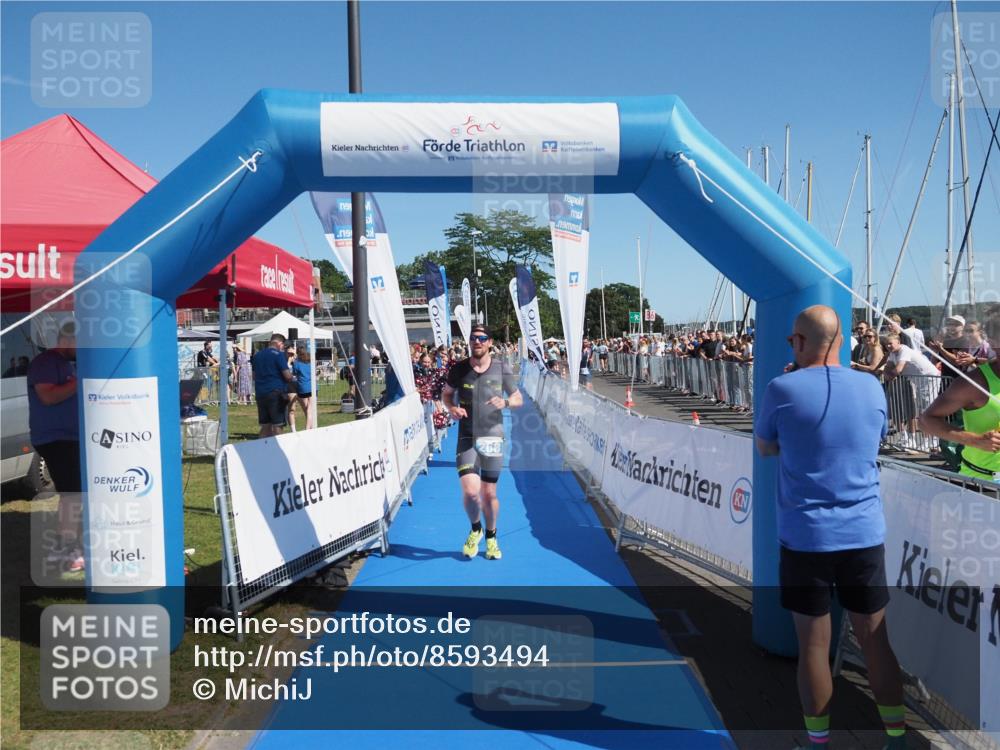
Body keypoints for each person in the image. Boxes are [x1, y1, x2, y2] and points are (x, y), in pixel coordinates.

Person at [755, 305, 906, 750]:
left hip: (807, 537)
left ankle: (819, 743)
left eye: (792, 340)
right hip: (863, 533)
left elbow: (765, 447)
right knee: (875, 639)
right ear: (841, 342)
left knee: (814, 646)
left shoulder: (781, 388)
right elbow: (873, 439)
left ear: (801, 341)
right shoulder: (871, 386)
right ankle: (896, 738)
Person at [442, 324, 523, 561]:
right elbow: (446, 394)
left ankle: (491, 536)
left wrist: (505, 403)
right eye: (473, 338)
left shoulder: (501, 368)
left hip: (492, 437)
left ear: (489, 342)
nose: (477, 341)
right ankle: (476, 528)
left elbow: (517, 397)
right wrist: (452, 408)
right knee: (470, 493)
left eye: (482, 338)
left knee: (488, 494)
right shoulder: (458, 369)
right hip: (466, 436)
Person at [919, 304, 1000, 481]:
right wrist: (976, 440)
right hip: (984, 482)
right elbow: (926, 421)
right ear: (993, 342)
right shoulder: (974, 383)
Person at [27, 321, 83, 572]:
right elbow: (48, 396)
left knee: (73, 495)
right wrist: (79, 381)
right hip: (55, 439)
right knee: (72, 496)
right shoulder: (46, 363)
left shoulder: (66, 363)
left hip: (70, 438)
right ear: (68, 340)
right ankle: (67, 552)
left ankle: (64, 548)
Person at [253, 333, 294, 438]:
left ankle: (261, 446)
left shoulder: (257, 355)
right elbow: (287, 376)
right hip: (276, 393)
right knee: (278, 425)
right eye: (283, 345)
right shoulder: (278, 355)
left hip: (260, 393)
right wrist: (292, 377)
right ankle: (279, 446)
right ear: (280, 343)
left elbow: (254, 376)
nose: (283, 348)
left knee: (265, 426)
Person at [289, 345, 315, 431]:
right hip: (312, 387)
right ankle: (308, 428)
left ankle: (309, 428)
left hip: (302, 388)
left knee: (307, 409)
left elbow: (294, 374)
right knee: (309, 409)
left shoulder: (296, 364)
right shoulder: (311, 362)